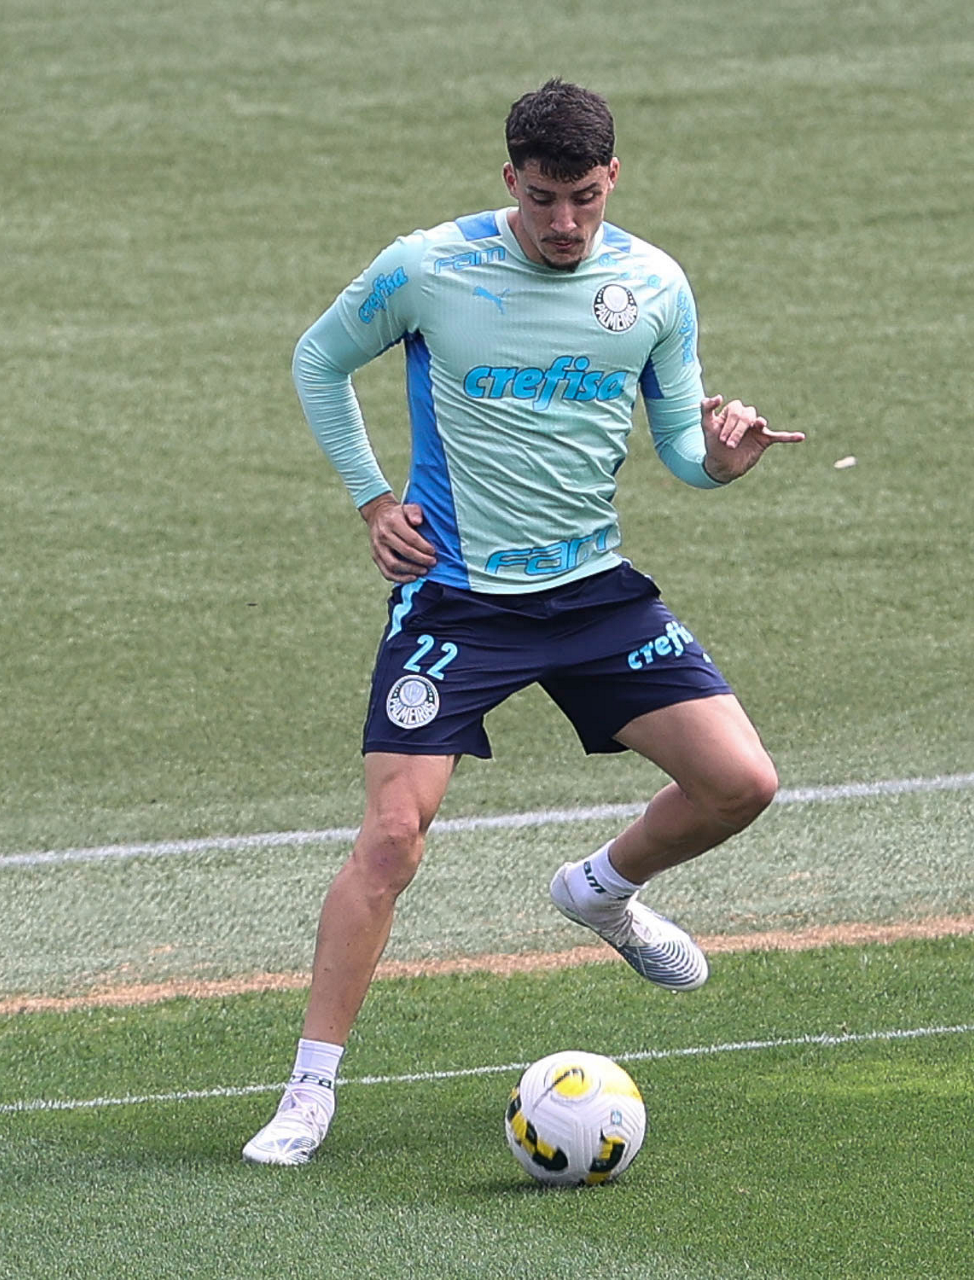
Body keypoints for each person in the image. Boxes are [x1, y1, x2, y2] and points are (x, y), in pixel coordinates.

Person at [243, 78, 804, 1165]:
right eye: (544, 198)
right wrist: (372, 500)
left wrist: (724, 460)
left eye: (585, 198)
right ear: (512, 180)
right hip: (456, 596)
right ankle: (309, 1092)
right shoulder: (429, 267)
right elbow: (319, 358)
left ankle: (601, 892)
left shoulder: (654, 286)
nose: (565, 224)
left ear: (613, 178)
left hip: (592, 593)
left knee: (742, 782)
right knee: (392, 837)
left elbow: (683, 452)